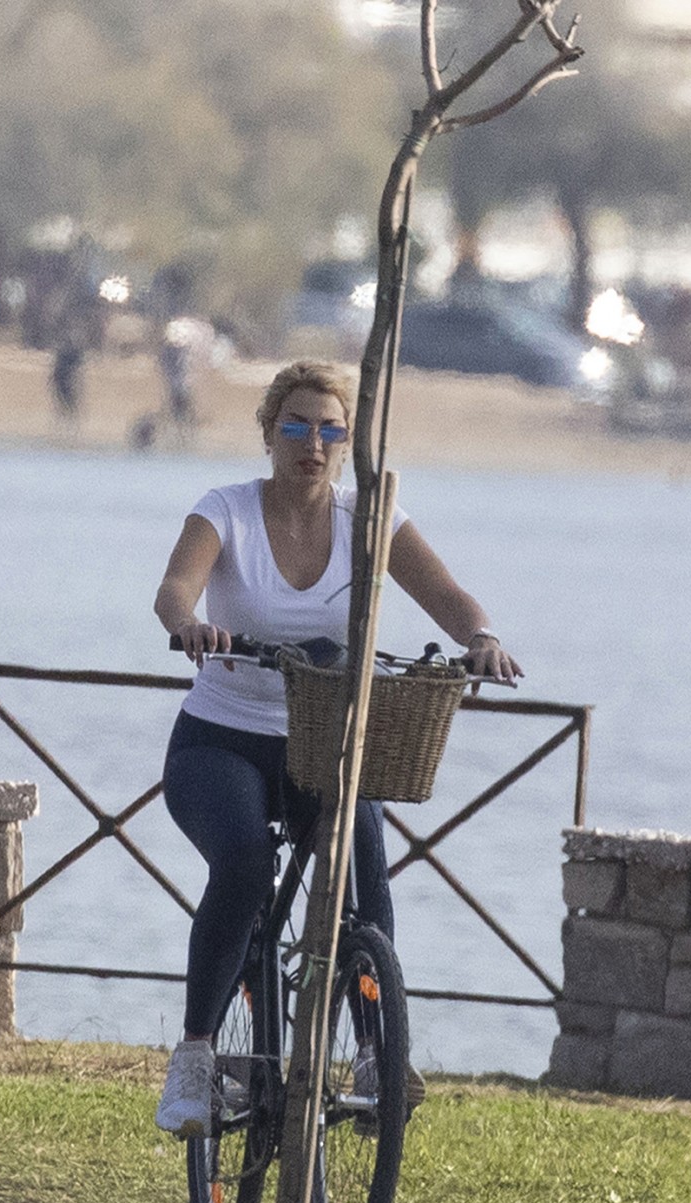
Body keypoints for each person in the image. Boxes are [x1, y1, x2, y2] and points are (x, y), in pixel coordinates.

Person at [150, 359, 522, 1137]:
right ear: (268, 433)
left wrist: (480, 637)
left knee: (363, 860)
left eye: (330, 430)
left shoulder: (369, 519)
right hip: (220, 743)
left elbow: (448, 597)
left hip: (324, 749)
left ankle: (372, 1049)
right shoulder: (227, 510)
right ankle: (193, 1059)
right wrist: (189, 624)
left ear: (349, 441)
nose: (311, 444)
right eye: (295, 426)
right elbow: (175, 587)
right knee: (246, 866)